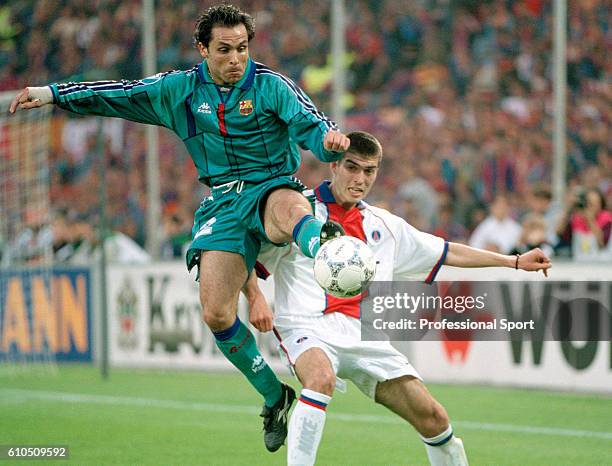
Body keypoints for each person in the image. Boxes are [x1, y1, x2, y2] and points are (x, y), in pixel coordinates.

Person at [9, 4, 350, 452]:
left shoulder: (271, 86)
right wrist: (54, 93)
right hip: (224, 204)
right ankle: (273, 395)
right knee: (215, 313)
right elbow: (120, 93)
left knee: (286, 206)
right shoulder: (181, 91)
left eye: (243, 49)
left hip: (273, 186)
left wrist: (328, 141)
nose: (236, 59)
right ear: (202, 49)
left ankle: (327, 247)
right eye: (224, 50)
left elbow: (311, 125)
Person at [248, 131, 551, 465]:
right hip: (308, 329)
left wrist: (514, 261)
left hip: (366, 339)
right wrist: (255, 295)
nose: (360, 178)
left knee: (434, 417)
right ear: (334, 165)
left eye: (369, 171)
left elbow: (448, 252)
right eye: (352, 167)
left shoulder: (384, 225)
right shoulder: (296, 209)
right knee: (320, 380)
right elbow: (246, 252)